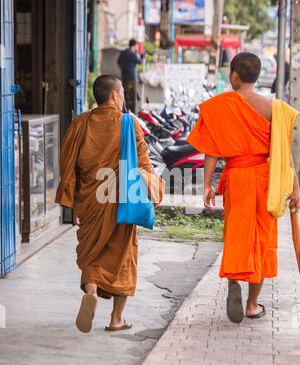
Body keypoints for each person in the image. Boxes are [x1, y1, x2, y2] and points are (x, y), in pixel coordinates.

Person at [187, 52, 300, 324]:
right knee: (262, 239)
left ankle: (235, 277)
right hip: (265, 179)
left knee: (238, 233)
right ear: (257, 76)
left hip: (236, 177)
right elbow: (284, 153)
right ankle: (251, 304)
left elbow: (211, 152)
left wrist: (207, 186)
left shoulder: (218, 106)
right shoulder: (274, 108)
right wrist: (295, 186)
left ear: (234, 76)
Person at [55, 75, 164, 333]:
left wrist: (73, 201)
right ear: (114, 96)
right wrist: (152, 190)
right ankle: (116, 319)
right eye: (122, 93)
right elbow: (143, 163)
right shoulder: (129, 123)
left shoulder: (81, 124)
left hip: (91, 200)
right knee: (123, 257)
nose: (123, 98)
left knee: (92, 252)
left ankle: (91, 292)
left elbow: (68, 163)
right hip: (122, 200)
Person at [117, 39, 142, 112]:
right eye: (137, 46)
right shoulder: (133, 54)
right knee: (131, 95)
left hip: (124, 75)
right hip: (132, 77)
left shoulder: (123, 52)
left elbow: (118, 62)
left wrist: (122, 69)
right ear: (134, 45)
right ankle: (130, 111)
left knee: (124, 93)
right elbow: (139, 61)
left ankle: (123, 109)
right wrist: (138, 53)